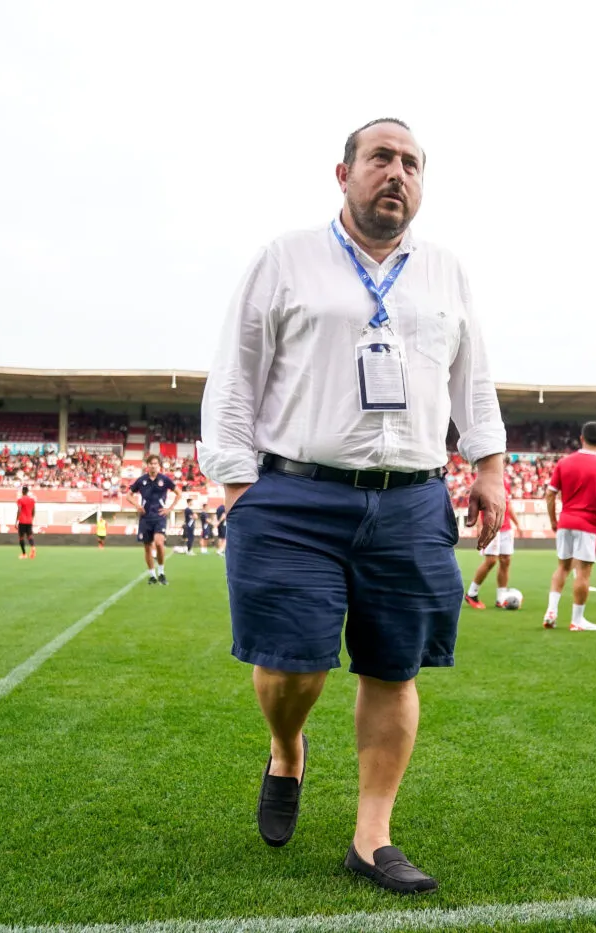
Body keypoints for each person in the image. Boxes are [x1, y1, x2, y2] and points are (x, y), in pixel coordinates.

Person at [198, 117, 505, 894]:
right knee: (290, 666)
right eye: (380, 158)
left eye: (410, 162)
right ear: (344, 174)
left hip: (410, 497)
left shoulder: (445, 271)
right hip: (296, 492)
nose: (395, 173)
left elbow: (473, 379)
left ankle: (372, 836)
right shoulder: (286, 258)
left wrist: (488, 466)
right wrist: (238, 485)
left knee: (393, 667)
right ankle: (288, 749)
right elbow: (235, 374)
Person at [543, 422, 596, 631]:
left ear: (581, 438)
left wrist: (553, 520)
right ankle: (577, 620)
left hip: (565, 521)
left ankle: (551, 611)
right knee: (583, 573)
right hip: (588, 525)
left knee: (562, 567)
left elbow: (550, 495)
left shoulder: (564, 463)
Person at [464, 476, 519, 608]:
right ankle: (472, 594)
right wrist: (479, 526)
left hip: (506, 527)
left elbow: (508, 504)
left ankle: (501, 598)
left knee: (506, 560)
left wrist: (517, 523)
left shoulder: (504, 481)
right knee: (491, 560)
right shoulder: (484, 480)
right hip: (491, 525)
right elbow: (476, 505)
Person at [128, 454, 177, 584]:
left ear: (159, 466)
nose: (153, 465)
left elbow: (179, 493)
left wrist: (169, 508)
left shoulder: (165, 480)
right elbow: (129, 495)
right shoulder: (141, 480)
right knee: (147, 547)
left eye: (155, 463)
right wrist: (137, 505)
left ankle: (161, 572)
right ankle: (152, 575)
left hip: (159, 516)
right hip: (145, 518)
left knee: (159, 543)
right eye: (151, 463)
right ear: (147, 465)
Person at [16, 485, 37, 560]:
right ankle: (33, 547)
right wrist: (31, 519)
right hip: (29, 521)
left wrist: (16, 521)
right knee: (30, 536)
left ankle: (24, 554)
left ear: (22, 491)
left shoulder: (20, 500)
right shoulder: (32, 500)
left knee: (21, 538)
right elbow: (34, 511)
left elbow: (19, 510)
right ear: (27, 492)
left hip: (22, 521)